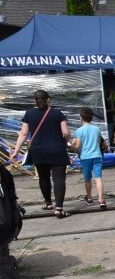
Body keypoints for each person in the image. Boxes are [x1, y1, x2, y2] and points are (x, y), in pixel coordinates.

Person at [10, 89, 71, 219]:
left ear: (35, 101)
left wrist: (16, 151)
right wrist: (64, 142)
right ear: (48, 100)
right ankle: (59, 209)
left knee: (43, 177)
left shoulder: (29, 114)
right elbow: (65, 133)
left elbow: (24, 134)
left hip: (38, 150)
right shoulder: (57, 113)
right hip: (57, 149)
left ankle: (48, 203)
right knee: (59, 179)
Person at [70, 107, 108, 210]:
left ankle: (90, 198)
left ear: (80, 118)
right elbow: (100, 142)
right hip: (97, 155)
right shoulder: (96, 129)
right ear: (92, 117)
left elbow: (77, 146)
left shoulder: (79, 130)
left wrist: (70, 145)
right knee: (98, 178)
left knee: (87, 179)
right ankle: (101, 199)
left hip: (85, 157)